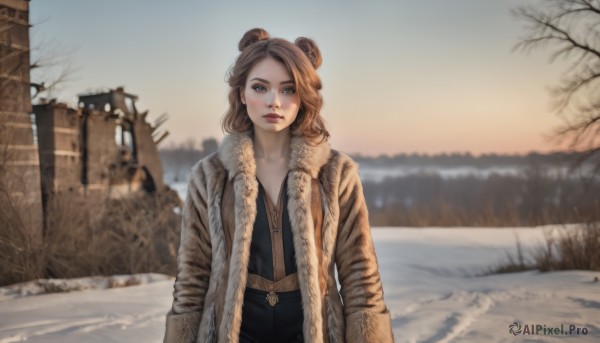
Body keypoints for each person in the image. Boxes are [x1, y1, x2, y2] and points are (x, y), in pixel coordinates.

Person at [164, 28, 393, 343]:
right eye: (260, 87)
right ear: (242, 93)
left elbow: (361, 278)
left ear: (304, 97)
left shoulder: (335, 174)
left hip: (312, 332)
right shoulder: (210, 176)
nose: (274, 101)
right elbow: (192, 278)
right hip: (235, 332)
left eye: (288, 89)